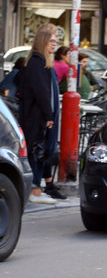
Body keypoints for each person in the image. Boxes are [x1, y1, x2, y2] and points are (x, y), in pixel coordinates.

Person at [16, 24, 66, 203]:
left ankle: (38, 188)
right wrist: (48, 116)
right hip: (37, 117)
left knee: (42, 151)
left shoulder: (42, 62)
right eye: (52, 41)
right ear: (43, 41)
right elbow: (41, 92)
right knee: (37, 150)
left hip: (40, 116)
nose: (55, 44)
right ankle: (34, 190)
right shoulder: (38, 62)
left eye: (56, 41)